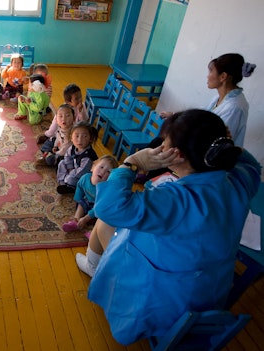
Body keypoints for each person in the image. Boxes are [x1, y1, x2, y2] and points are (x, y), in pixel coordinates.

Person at [80, 109, 261, 345]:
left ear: (178, 155)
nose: (160, 148)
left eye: (164, 143)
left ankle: (94, 267)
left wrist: (132, 163)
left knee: (106, 226)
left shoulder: (178, 199)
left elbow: (108, 207)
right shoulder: (238, 182)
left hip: (167, 302)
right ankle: (95, 264)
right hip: (208, 292)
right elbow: (252, 166)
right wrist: (220, 144)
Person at [161, 53, 256, 147]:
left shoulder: (235, 107)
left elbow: (216, 138)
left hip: (215, 156)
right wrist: (175, 116)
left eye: (211, 71)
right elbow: (201, 116)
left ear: (223, 76)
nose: (207, 76)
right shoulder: (219, 98)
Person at [62, 155, 119, 233]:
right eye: (101, 167)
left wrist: (86, 218)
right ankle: (76, 221)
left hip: (100, 208)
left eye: (108, 172)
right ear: (92, 167)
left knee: (104, 220)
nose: (102, 172)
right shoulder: (85, 178)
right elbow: (80, 187)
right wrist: (77, 199)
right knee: (81, 203)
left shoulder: (106, 190)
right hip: (87, 202)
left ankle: (92, 233)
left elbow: (99, 207)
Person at [56, 121, 98, 194]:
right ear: (71, 138)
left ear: (90, 139)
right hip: (74, 169)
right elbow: (67, 156)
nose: (80, 140)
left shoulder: (88, 155)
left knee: (71, 180)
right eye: (76, 136)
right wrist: (69, 167)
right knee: (62, 163)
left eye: (85, 136)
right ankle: (62, 182)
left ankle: (71, 187)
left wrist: (70, 173)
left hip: (83, 175)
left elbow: (82, 171)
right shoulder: (73, 147)